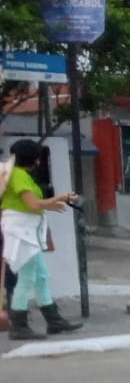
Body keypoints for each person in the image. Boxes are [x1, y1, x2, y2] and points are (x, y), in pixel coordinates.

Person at [4, 140, 82, 341]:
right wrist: (60, 198)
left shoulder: (20, 174)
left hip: (27, 232)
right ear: (33, 158)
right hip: (21, 233)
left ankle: (53, 320)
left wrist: (52, 204)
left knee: (42, 276)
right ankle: (19, 326)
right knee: (28, 277)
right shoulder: (19, 175)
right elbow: (32, 204)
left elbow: (33, 204)